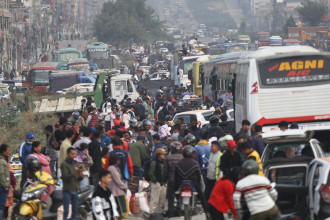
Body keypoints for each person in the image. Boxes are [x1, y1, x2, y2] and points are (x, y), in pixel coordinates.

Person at [174, 146, 211, 219]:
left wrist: (176, 188)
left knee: (175, 191)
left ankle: (177, 203)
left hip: (181, 183)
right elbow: (199, 176)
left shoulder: (178, 163)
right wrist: (200, 185)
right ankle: (207, 213)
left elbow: (176, 177)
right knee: (202, 197)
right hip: (193, 183)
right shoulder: (195, 163)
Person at [61, 147, 84, 220]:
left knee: (75, 211)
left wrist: (81, 176)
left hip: (75, 189)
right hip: (67, 190)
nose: (74, 156)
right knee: (66, 211)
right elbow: (65, 177)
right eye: (72, 154)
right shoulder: (64, 164)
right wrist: (75, 172)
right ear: (68, 154)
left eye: (75, 154)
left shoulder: (76, 163)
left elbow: (77, 178)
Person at [163, 141, 183, 218]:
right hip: (181, 181)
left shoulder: (168, 158)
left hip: (171, 181)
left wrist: (164, 180)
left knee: (170, 197)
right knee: (180, 196)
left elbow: (165, 171)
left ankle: (171, 213)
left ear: (171, 150)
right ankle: (180, 210)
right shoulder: (183, 157)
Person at [32, 141, 53, 207]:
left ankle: (45, 201)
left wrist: (47, 159)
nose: (40, 148)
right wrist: (47, 159)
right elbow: (45, 162)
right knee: (45, 188)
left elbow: (48, 158)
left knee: (49, 188)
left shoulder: (40, 154)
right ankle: (43, 202)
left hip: (47, 175)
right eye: (39, 146)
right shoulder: (35, 155)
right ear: (35, 148)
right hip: (43, 175)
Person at [107, 155, 128, 219]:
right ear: (115, 161)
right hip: (116, 192)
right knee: (119, 209)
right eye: (118, 160)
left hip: (115, 191)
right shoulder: (112, 168)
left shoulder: (112, 168)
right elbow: (117, 180)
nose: (119, 161)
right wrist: (124, 187)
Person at [149, 148, 167, 214]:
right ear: (158, 155)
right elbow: (151, 173)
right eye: (163, 154)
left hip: (163, 183)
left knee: (162, 201)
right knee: (154, 201)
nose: (164, 156)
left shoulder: (164, 162)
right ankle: (152, 214)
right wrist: (156, 181)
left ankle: (160, 214)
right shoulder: (154, 162)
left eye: (165, 154)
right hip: (156, 183)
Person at [0, 144, 10, 220]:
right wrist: (5, 186)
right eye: (7, 151)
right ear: (3, 151)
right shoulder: (1, 161)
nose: (8, 152)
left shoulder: (3, 160)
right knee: (2, 204)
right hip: (3, 187)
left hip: (3, 186)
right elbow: (1, 175)